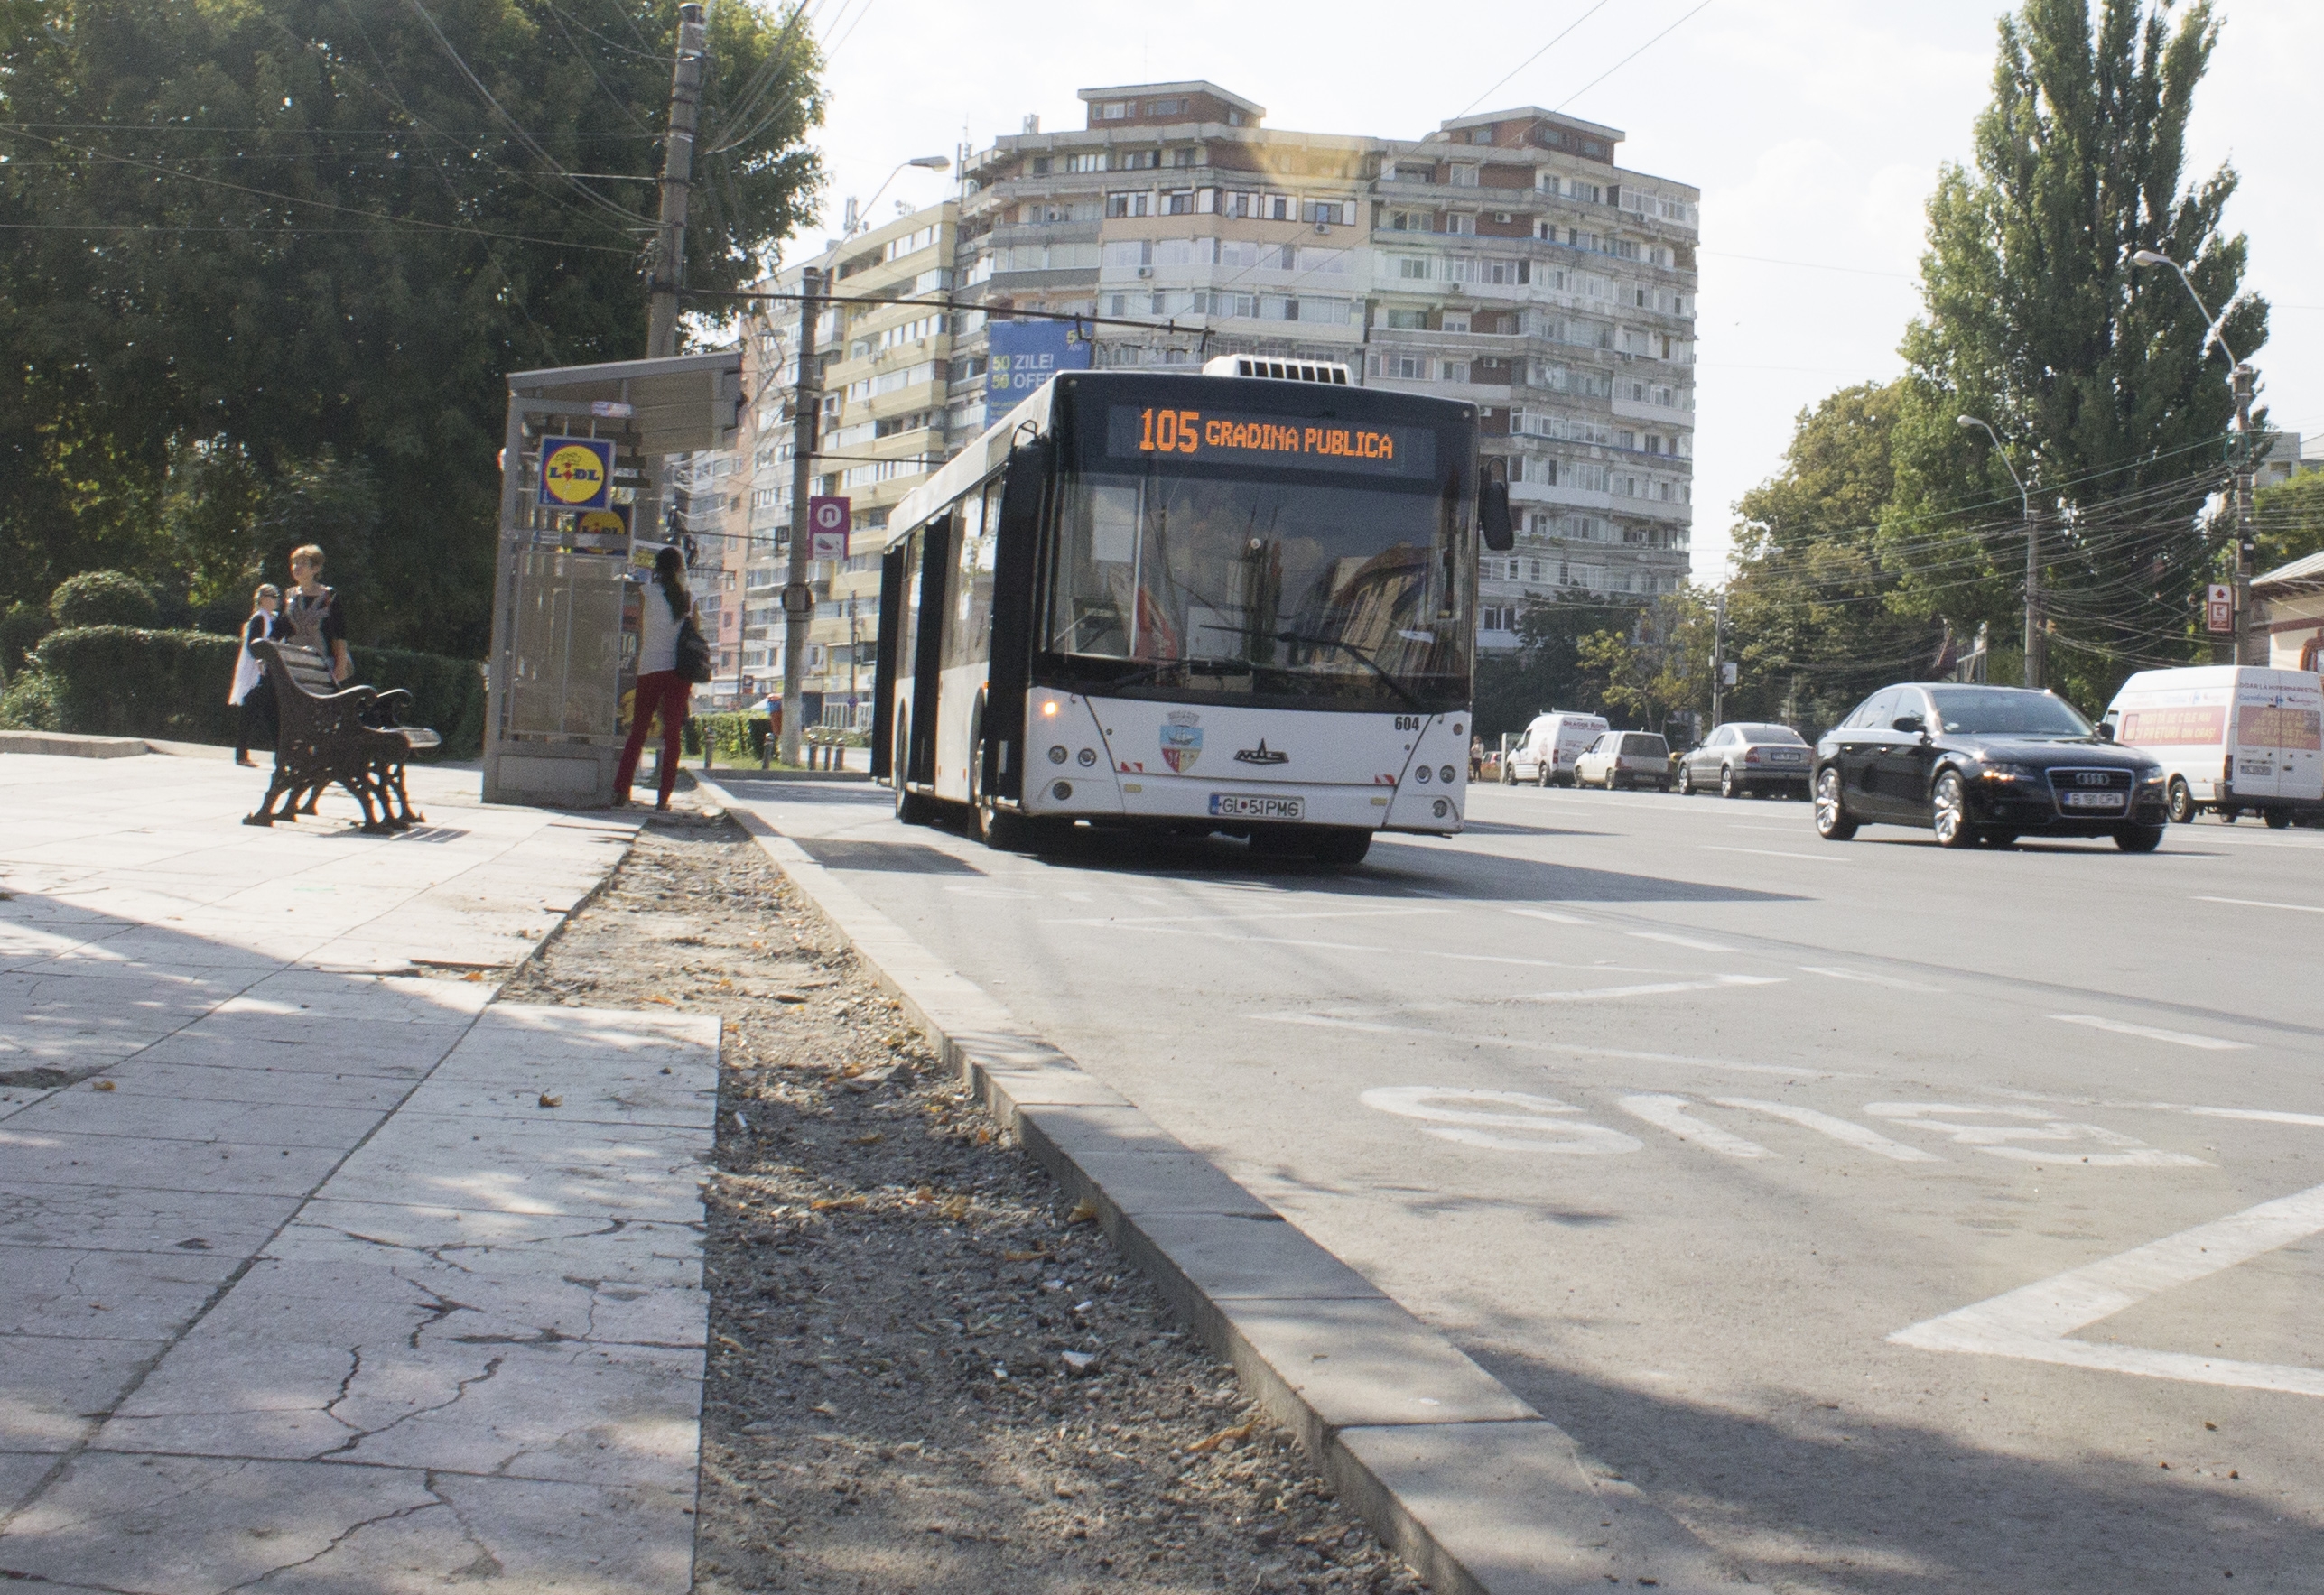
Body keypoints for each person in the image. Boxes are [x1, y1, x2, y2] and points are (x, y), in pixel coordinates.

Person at [614, 546, 693, 811]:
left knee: (637, 732)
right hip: (678, 674)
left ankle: (621, 790)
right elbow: (695, 631)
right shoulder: (686, 599)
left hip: (648, 669)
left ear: (656, 568)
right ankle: (663, 798)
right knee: (672, 736)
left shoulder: (645, 594)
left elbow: (639, 628)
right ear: (679, 569)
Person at [280, 544, 351, 684]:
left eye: (303, 564)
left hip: (323, 663)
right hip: (293, 663)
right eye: (295, 563)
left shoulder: (329, 596)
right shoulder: (289, 596)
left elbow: (340, 634)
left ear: (316, 568)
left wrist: (341, 666)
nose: (297, 567)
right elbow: (280, 630)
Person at [229, 584, 283, 766]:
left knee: (270, 713)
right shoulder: (259, 619)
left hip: (267, 674)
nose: (276, 599)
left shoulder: (272, 619)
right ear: (261, 599)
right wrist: (260, 660)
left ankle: (279, 754)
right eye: (272, 596)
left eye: (277, 596)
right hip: (257, 674)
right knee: (253, 714)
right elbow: (253, 644)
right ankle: (241, 755)